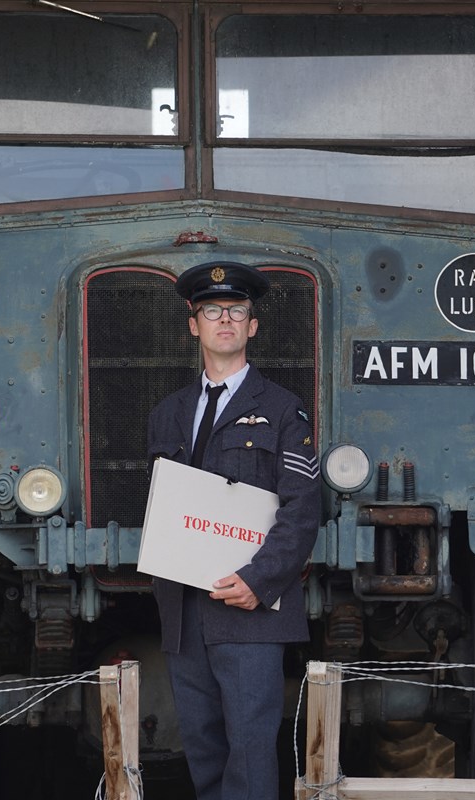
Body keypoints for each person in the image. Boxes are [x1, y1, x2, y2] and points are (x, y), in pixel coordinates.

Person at [146, 260, 321, 800]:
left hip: (249, 608)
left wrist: (258, 580)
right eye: (212, 311)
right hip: (185, 609)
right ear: (194, 325)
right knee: (202, 750)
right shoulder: (168, 413)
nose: (225, 319)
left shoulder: (284, 411)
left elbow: (302, 509)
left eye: (237, 311)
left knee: (249, 753)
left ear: (252, 327)